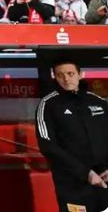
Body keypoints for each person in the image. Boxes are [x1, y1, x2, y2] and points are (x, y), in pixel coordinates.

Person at [36, 61, 108, 212]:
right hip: (73, 185)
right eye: (60, 75)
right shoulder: (48, 104)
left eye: (70, 74)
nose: (66, 79)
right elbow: (47, 145)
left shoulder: (98, 102)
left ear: (80, 74)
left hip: (105, 179)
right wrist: (85, 173)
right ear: (55, 77)